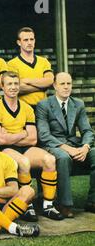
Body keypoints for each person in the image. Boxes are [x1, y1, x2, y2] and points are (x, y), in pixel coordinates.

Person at [0, 71, 62, 221]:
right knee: (23, 162)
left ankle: (48, 205)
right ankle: (26, 205)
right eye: (9, 84)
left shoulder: (27, 107)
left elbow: (33, 139)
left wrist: (11, 136)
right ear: (2, 87)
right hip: (5, 150)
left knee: (49, 159)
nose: (13, 87)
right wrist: (22, 134)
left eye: (16, 84)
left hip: (25, 148)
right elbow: (1, 140)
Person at [36, 72, 95, 218]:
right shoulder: (44, 105)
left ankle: (92, 201)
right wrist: (69, 149)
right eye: (62, 84)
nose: (66, 87)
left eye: (69, 83)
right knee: (63, 157)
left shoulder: (78, 104)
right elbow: (44, 135)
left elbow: (87, 130)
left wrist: (85, 147)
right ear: (55, 85)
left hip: (75, 145)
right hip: (53, 146)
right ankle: (64, 205)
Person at [7, 27, 54, 109]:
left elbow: (49, 81)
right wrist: (42, 87)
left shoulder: (44, 61)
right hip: (23, 108)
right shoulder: (11, 64)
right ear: (19, 42)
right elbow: (17, 88)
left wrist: (26, 81)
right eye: (26, 40)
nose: (29, 42)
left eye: (31, 39)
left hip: (43, 108)